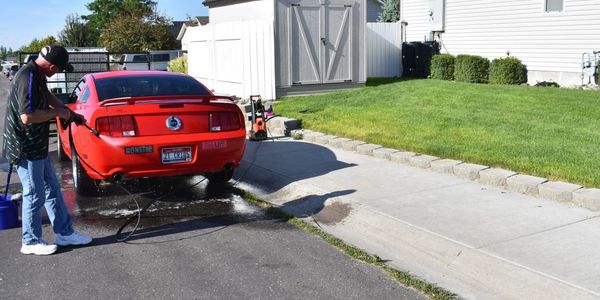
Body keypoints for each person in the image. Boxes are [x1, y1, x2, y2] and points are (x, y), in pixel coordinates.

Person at [2, 45, 92, 255]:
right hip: (26, 147)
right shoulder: (27, 76)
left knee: (51, 188)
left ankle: (65, 233)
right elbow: (28, 116)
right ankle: (30, 241)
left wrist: (68, 111)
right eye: (59, 70)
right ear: (51, 66)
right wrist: (59, 114)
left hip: (38, 146)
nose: (58, 73)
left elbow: (47, 95)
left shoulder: (37, 73)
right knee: (34, 194)